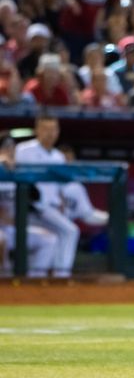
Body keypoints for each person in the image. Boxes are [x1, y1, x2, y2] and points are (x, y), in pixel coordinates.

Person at [14, 115, 79, 278]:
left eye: (53, 129)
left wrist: (62, 202)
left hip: (51, 208)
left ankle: (39, 278)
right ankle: (61, 276)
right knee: (70, 231)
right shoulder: (23, 150)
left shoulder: (58, 156)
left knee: (54, 238)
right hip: (31, 207)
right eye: (46, 129)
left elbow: (59, 188)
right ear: (37, 130)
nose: (50, 133)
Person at [0, 135, 57, 278]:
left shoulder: (19, 171)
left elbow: (36, 197)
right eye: (5, 147)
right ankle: (4, 277)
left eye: (12, 147)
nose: (9, 151)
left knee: (49, 239)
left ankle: (34, 281)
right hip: (2, 229)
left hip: (14, 228)